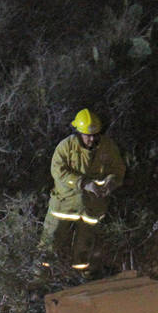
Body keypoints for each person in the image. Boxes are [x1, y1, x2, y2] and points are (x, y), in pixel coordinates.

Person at [38, 108, 126, 274]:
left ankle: (80, 277)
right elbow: (58, 170)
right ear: (78, 133)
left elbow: (118, 169)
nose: (92, 139)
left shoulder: (108, 147)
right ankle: (42, 277)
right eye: (87, 135)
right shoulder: (66, 146)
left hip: (92, 207)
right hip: (64, 205)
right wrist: (83, 183)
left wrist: (111, 182)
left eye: (95, 135)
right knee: (50, 244)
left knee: (85, 248)